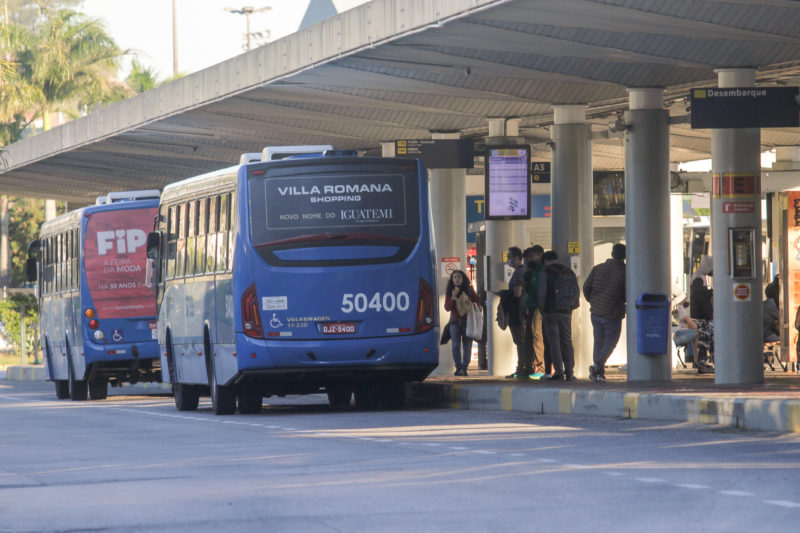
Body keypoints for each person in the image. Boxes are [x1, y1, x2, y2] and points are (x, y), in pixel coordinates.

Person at [583, 243, 626, 382]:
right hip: (613, 313)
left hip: (596, 312)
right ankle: (598, 365)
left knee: (599, 341)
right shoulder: (625, 272)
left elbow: (586, 287)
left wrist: (592, 301)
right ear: (625, 256)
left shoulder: (598, 268)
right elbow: (626, 294)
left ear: (612, 253)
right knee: (610, 342)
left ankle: (598, 372)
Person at [537, 251, 577, 381]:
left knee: (554, 342)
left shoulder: (546, 272)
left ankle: (559, 372)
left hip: (551, 312)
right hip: (566, 311)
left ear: (545, 261)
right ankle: (570, 372)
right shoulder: (569, 271)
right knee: (567, 341)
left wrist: (542, 310)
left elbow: (542, 293)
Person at [444, 269, 479, 376]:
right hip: (454, 322)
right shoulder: (450, 291)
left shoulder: (469, 289)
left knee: (467, 346)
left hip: (467, 322)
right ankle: (458, 367)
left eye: (459, 277)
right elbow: (447, 307)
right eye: (454, 277)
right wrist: (454, 297)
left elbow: (478, 302)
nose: (456, 279)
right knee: (455, 345)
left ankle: (464, 367)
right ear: (452, 280)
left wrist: (469, 301)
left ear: (463, 279)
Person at [505, 247, 530, 379]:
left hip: (518, 311)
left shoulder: (519, 273)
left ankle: (521, 368)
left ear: (517, 257)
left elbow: (517, 293)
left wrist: (503, 294)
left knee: (520, 341)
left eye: (510, 257)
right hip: (524, 310)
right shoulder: (524, 271)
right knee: (522, 341)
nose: (509, 260)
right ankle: (524, 367)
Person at [522, 245, 546, 378]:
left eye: (531, 257)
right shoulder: (532, 271)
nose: (529, 260)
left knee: (537, 335)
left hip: (539, 307)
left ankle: (541, 368)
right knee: (529, 337)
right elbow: (525, 282)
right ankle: (528, 367)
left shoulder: (542, 271)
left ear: (539, 255)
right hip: (531, 305)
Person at [671, 287, 698, 370]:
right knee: (697, 333)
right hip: (675, 335)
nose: (686, 300)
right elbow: (693, 326)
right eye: (685, 298)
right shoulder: (680, 308)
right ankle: (696, 361)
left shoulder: (675, 308)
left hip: (673, 333)